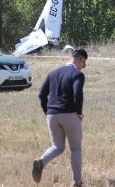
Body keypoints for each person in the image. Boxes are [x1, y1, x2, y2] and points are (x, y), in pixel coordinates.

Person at [32, 48, 88, 187]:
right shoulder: (77, 74)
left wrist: (48, 111)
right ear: (80, 59)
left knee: (57, 146)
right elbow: (77, 95)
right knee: (75, 149)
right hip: (69, 113)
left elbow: (41, 94)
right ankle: (77, 182)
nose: (83, 67)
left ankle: (41, 162)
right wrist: (79, 112)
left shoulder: (53, 73)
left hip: (52, 115)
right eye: (84, 64)